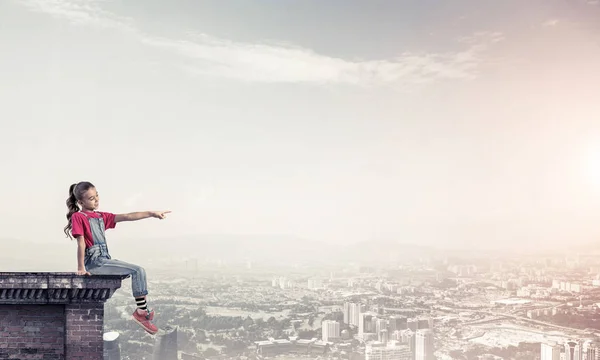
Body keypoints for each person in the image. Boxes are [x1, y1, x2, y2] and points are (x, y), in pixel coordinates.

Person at [63, 181, 170, 335]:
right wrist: (81, 268)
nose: (96, 200)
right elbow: (81, 243)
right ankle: (142, 313)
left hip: (105, 259)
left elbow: (127, 216)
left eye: (97, 195)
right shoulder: (78, 217)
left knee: (139, 271)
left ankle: (142, 311)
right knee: (138, 270)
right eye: (91, 198)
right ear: (80, 202)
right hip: (95, 262)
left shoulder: (101, 216)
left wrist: (152, 213)